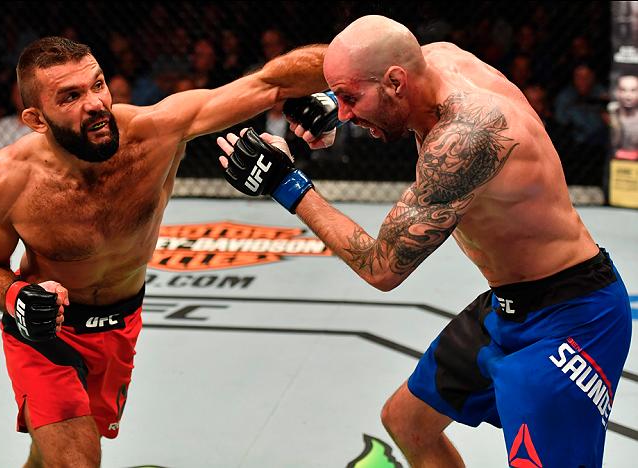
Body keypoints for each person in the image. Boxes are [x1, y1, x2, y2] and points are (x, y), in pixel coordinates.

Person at [217, 15, 631, 468]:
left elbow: (382, 267)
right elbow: (377, 77)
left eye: (351, 98)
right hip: (508, 306)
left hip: (571, 319)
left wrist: (287, 184)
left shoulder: (468, 135)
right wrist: (333, 105)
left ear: (396, 82)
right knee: (408, 423)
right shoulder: (433, 61)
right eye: (342, 96)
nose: (349, 112)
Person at [0, 36, 327, 467]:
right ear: (35, 118)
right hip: (45, 335)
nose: (96, 103)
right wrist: (17, 298)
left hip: (119, 328)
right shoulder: (7, 179)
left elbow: (271, 83)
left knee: (46, 456)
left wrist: (366, 72)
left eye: (98, 84)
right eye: (71, 96)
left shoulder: (158, 131)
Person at [0, 81, 33, 157]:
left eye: (24, 92)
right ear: (12, 96)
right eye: (17, 93)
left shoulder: (43, 127)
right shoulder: (1, 125)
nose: (21, 96)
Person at [608, 73, 638, 160]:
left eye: (633, 90)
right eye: (623, 90)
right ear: (616, 92)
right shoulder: (609, 115)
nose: (628, 95)